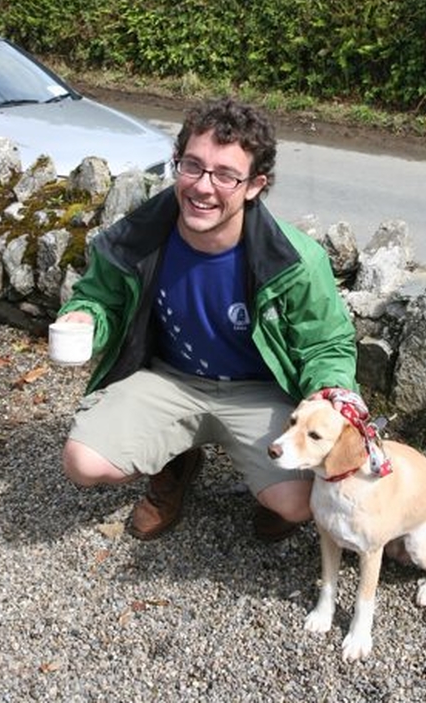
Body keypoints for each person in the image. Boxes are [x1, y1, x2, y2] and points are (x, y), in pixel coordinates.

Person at [58, 97, 358, 542]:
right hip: (169, 379)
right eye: (192, 166)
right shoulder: (138, 236)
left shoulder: (296, 260)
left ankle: (270, 492)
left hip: (260, 391)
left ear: (255, 185)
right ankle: (176, 463)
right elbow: (98, 298)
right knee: (83, 463)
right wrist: (83, 317)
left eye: (225, 175)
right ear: (176, 164)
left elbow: (327, 344)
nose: (202, 186)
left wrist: (330, 392)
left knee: (299, 505)